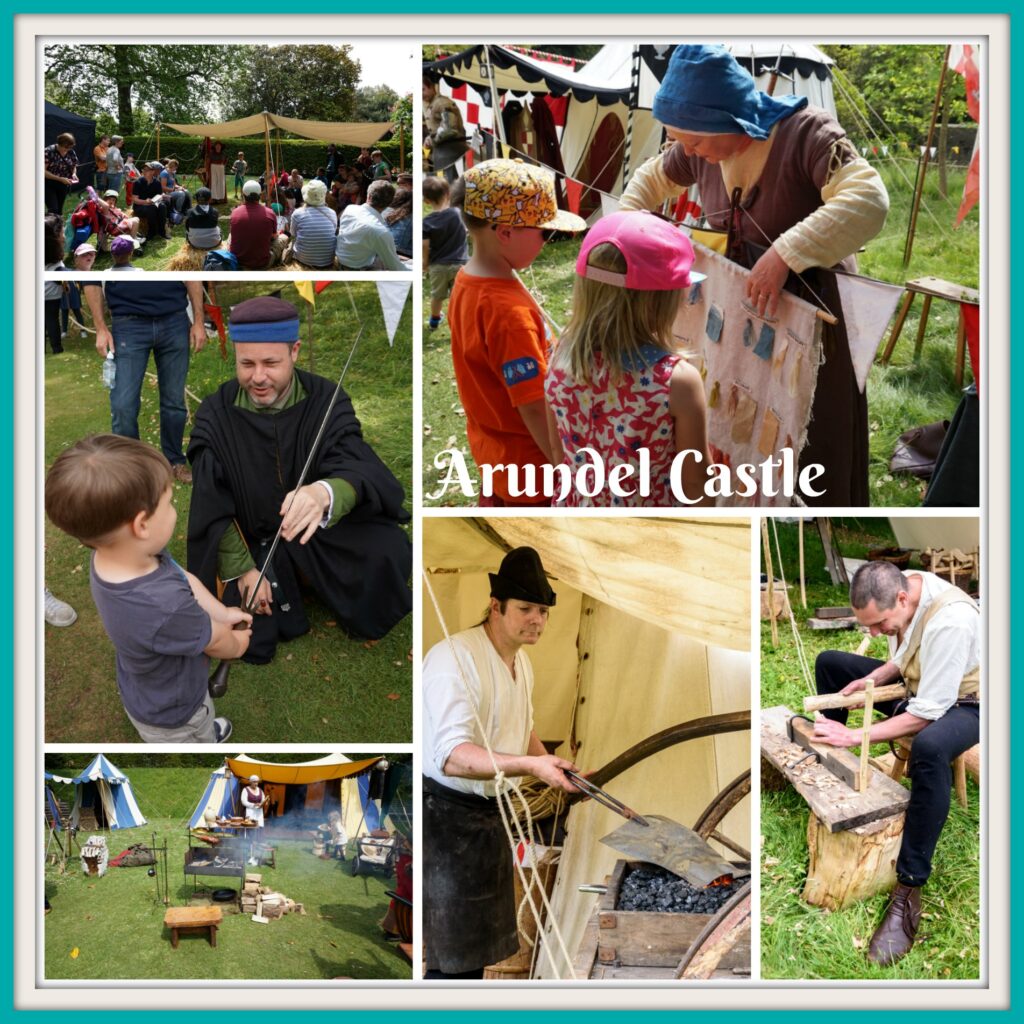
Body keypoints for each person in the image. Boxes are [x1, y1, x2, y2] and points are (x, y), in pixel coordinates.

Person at [619, 44, 889, 506]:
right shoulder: (698, 149)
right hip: (746, 312)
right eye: (682, 141)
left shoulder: (808, 134)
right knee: (745, 413)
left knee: (810, 428)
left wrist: (786, 252)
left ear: (731, 122)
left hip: (812, 317)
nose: (688, 152)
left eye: (696, 141)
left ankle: (816, 517)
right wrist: (622, 227)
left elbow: (869, 200)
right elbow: (652, 177)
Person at [186, 296, 412, 664]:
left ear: (295, 351)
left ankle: (302, 577)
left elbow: (358, 463)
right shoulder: (216, 412)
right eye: (247, 364)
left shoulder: (326, 398)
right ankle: (281, 578)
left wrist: (324, 493)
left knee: (389, 550)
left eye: (271, 363)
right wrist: (241, 567)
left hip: (314, 531)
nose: (258, 377)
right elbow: (211, 502)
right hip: (250, 538)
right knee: (229, 608)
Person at [422, 547, 581, 978]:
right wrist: (532, 767)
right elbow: (453, 757)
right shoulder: (454, 659)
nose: (538, 620)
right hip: (445, 821)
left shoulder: (522, 663)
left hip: (491, 816)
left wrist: (549, 762)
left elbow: (522, 729)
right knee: (448, 960)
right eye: (527, 609)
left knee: (478, 955)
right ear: (496, 606)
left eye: (544, 611)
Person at [811, 559, 979, 966]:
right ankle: (836, 776)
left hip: (969, 703)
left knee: (931, 748)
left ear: (902, 598)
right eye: (866, 625)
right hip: (921, 685)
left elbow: (927, 714)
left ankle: (909, 890)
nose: (872, 633)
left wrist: (856, 734)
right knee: (831, 664)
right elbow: (906, 651)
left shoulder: (951, 621)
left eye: (878, 623)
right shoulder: (913, 587)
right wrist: (875, 679)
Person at [43, 434, 250, 743]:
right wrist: (238, 643)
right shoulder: (165, 607)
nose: (175, 510)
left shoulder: (117, 555)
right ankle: (205, 736)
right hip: (175, 712)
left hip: (144, 688)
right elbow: (217, 641)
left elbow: (185, 579)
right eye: (168, 504)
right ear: (141, 525)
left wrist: (221, 611)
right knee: (197, 733)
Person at [544, 210, 711, 507]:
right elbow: (695, 483)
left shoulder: (559, 359)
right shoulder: (677, 383)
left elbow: (559, 456)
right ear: (659, 302)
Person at [447, 159, 585, 506]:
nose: (547, 241)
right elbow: (535, 407)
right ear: (505, 232)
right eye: (544, 232)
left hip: (498, 456)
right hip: (532, 471)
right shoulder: (508, 314)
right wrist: (565, 468)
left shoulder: (468, 281)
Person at [83, 279, 206, 484]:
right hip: (128, 323)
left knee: (174, 402)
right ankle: (133, 466)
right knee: (123, 405)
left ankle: (174, 460)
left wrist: (199, 321)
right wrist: (100, 328)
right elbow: (90, 278)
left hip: (174, 320)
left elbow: (191, 274)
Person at [422, 175, 468, 331]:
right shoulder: (458, 214)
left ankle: (434, 321)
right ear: (449, 194)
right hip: (459, 264)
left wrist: (425, 263)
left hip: (437, 266)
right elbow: (467, 230)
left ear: (426, 200)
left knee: (437, 295)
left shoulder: (427, 222)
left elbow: (425, 245)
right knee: (459, 296)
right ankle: (459, 322)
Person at [335, 181, 409, 271]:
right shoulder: (380, 232)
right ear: (389, 203)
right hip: (359, 269)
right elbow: (395, 267)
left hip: (342, 261)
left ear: (369, 196)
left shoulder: (350, 208)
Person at [422, 76, 470, 181]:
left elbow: (449, 129)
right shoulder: (429, 104)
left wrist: (432, 139)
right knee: (443, 186)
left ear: (431, 87)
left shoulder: (443, 103)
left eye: (423, 89)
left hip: (451, 150)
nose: (421, 94)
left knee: (452, 185)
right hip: (441, 151)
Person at [229, 180, 284, 269]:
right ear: (260, 195)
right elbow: (274, 236)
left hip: (237, 261)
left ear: (243, 195)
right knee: (284, 237)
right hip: (263, 263)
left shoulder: (235, 212)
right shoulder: (270, 213)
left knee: (230, 236)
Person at [285, 179, 338, 269]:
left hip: (303, 260)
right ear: (324, 195)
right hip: (328, 261)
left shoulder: (298, 213)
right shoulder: (332, 213)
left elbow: (293, 235)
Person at [130, 162, 170, 240]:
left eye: (147, 170)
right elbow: (135, 200)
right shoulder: (138, 182)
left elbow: (159, 196)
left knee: (162, 206)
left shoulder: (157, 183)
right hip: (140, 206)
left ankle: (162, 231)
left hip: (153, 204)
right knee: (151, 208)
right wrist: (145, 202)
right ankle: (152, 231)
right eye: (143, 170)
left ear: (153, 172)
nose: (144, 172)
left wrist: (162, 196)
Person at [43, 223, 67, 355]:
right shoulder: (55, 261)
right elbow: (59, 280)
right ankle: (57, 348)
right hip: (51, 295)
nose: (64, 236)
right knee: (52, 320)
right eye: (62, 233)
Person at [44, 132, 78, 215]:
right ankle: (49, 226)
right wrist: (60, 179)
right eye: (66, 147)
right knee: (53, 210)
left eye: (70, 147)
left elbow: (74, 166)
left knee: (59, 210)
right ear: (60, 143)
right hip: (48, 184)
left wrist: (74, 174)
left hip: (63, 184)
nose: (67, 150)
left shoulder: (71, 152)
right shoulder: (48, 151)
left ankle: (58, 227)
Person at [241, 774, 266, 864]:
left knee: (258, 833)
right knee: (250, 834)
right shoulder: (245, 790)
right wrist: (253, 805)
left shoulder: (260, 790)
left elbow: (263, 800)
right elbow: (243, 801)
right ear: (250, 782)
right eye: (254, 782)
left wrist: (263, 804)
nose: (256, 783)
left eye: (257, 782)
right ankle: (250, 855)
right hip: (250, 814)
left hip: (259, 814)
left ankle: (257, 855)